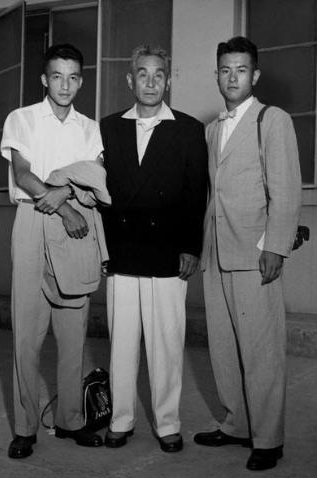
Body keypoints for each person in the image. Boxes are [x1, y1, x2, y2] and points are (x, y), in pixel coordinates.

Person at [194, 36, 302, 470]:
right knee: (222, 348)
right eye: (225, 69)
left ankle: (268, 438)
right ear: (217, 74)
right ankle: (237, 424)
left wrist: (275, 246)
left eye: (240, 69)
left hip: (255, 253)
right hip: (216, 252)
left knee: (261, 350)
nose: (232, 76)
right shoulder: (213, 128)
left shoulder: (271, 120)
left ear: (254, 75)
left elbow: (286, 188)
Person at [1, 44, 111, 459]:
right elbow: (23, 174)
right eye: (57, 76)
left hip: (78, 226)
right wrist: (63, 203)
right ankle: (25, 428)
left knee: (72, 332)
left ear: (81, 81)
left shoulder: (88, 127)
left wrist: (67, 196)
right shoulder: (22, 118)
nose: (64, 85)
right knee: (27, 334)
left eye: (73, 77)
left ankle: (71, 420)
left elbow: (95, 176)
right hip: (34, 222)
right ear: (44, 79)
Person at [100, 45, 208, 452]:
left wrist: (191, 248)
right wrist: (103, 250)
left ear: (168, 80)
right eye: (142, 74)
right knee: (122, 343)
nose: (150, 81)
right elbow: (99, 192)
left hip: (167, 252)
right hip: (123, 251)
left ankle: (167, 423)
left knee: (166, 341)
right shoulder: (107, 128)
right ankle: (121, 419)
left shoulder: (188, 129)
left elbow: (196, 193)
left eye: (158, 74)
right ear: (130, 80)